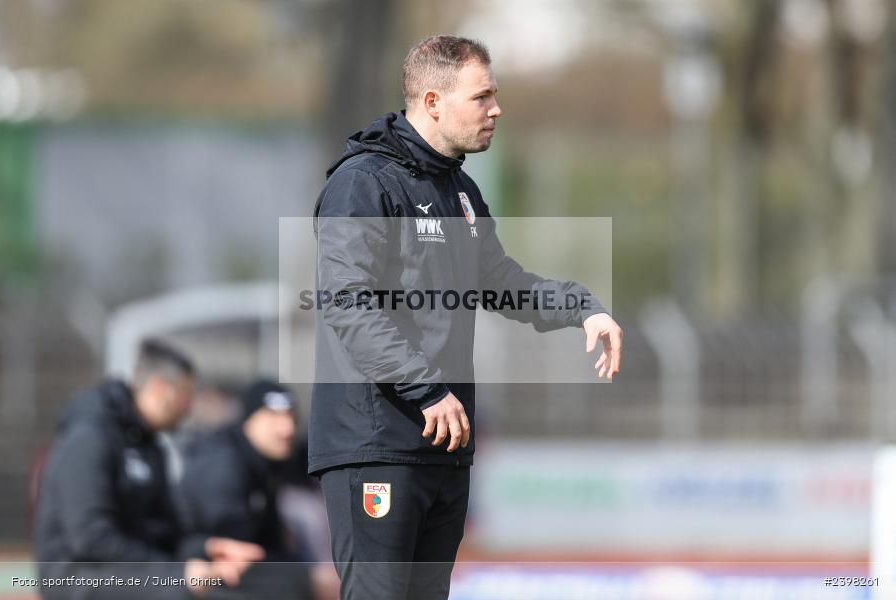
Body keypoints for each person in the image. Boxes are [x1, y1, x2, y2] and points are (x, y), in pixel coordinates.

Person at [309, 35, 624, 600]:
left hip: (444, 445)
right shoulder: (363, 183)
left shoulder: (460, 189)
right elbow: (347, 303)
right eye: (482, 97)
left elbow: (499, 281)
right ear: (432, 101)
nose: (496, 109)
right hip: (378, 442)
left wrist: (582, 309)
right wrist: (427, 390)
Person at [34, 339, 264, 600]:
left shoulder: (149, 444)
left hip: (137, 572)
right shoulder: (89, 438)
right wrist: (174, 572)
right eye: (185, 395)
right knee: (181, 591)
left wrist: (207, 548)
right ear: (159, 388)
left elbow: (165, 529)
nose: (188, 407)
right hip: (79, 577)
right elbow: (90, 539)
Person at [180, 379, 338, 600]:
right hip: (187, 572)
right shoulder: (223, 465)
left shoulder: (265, 464)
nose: (287, 429)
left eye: (290, 417)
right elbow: (233, 552)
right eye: (273, 417)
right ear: (249, 420)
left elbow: (269, 543)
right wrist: (310, 578)